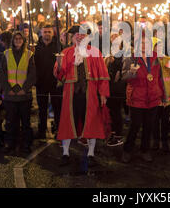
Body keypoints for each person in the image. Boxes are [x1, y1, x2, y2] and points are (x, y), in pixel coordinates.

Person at [53, 25, 110, 167]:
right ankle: (65, 153)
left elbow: (103, 75)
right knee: (67, 122)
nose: (79, 37)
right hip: (71, 93)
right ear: (72, 37)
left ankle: (91, 153)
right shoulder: (65, 53)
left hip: (90, 93)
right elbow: (59, 75)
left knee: (91, 122)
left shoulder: (95, 52)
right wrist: (59, 65)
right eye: (76, 35)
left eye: (82, 35)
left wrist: (103, 93)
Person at [122, 31, 164, 163]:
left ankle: (145, 150)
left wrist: (163, 96)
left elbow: (160, 78)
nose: (145, 45)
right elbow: (124, 77)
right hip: (137, 98)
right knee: (135, 126)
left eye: (147, 43)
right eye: (142, 43)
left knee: (149, 126)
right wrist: (131, 72)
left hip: (153, 98)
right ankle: (127, 150)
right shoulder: (131, 58)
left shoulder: (156, 58)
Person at [0, 32, 36, 153]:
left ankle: (26, 144)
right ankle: (10, 143)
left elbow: (32, 74)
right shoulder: (6, 54)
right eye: (16, 38)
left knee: (26, 122)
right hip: (10, 95)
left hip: (24, 95)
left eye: (20, 38)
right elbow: (3, 74)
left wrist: (24, 89)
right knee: (10, 121)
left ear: (23, 40)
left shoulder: (29, 55)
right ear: (12, 40)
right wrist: (7, 89)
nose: (18, 40)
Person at [34, 25, 62, 139]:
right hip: (41, 82)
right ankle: (42, 130)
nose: (47, 34)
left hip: (55, 82)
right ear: (41, 33)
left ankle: (58, 128)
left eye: (49, 32)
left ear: (53, 33)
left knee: (57, 107)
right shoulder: (36, 47)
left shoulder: (58, 46)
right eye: (45, 32)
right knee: (42, 107)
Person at [152, 37, 170, 152]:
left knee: (165, 120)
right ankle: (156, 141)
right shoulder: (150, 60)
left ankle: (165, 141)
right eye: (157, 46)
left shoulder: (169, 59)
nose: (159, 48)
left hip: (168, 95)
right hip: (155, 96)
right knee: (155, 120)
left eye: (161, 46)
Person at [104, 33, 126, 147]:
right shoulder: (110, 52)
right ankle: (112, 132)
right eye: (112, 38)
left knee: (116, 111)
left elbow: (122, 68)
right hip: (109, 85)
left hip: (118, 87)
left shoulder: (123, 53)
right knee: (111, 110)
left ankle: (118, 134)